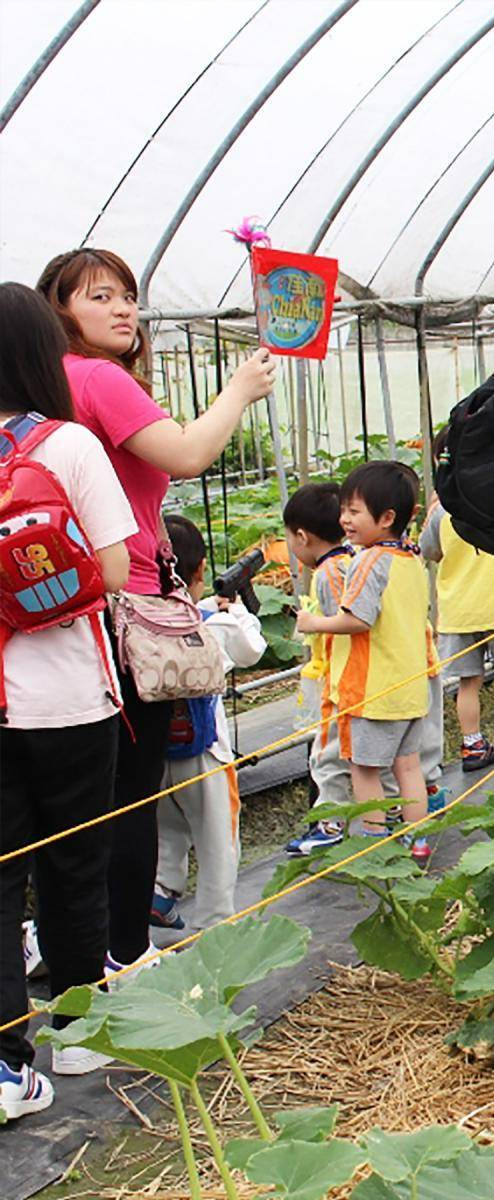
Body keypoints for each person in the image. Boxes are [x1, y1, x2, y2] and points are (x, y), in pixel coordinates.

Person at [36, 249, 276, 973]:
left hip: (68, 606)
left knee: (81, 797)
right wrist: (239, 389)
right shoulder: (98, 379)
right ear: (60, 312)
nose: (122, 310)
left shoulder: (50, 388)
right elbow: (185, 454)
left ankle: (72, 948)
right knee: (130, 791)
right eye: (99, 296)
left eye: (129, 297)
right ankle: (124, 951)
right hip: (126, 605)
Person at [0, 283, 137, 1119]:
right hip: (73, 701)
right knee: (74, 864)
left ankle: (7, 1065)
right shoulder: (68, 446)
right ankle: (82, 1031)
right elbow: (117, 571)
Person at [294, 462, 436, 861]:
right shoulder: (412, 558)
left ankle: (376, 844)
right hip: (409, 685)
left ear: (387, 518)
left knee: (365, 771)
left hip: (372, 690)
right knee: (408, 768)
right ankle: (418, 839)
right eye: (344, 510)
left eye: (354, 512)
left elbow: (357, 619)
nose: (344, 520)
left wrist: (313, 622)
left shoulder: (369, 561)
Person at [150, 515, 264, 934]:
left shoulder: (138, 624)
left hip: (156, 752)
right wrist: (240, 613)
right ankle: (216, 921)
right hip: (206, 753)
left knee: (166, 826)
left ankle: (162, 891)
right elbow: (251, 648)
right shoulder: (212, 626)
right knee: (217, 838)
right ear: (199, 572)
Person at [282, 483, 357, 855]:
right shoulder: (353, 559)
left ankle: (329, 825)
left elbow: (345, 620)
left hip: (337, 677)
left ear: (301, 536)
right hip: (351, 675)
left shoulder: (328, 573)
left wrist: (310, 623)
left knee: (326, 757)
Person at [420, 474, 494, 770]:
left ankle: (473, 745)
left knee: (468, 682)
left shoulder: (442, 510)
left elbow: (429, 551)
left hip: (458, 609)